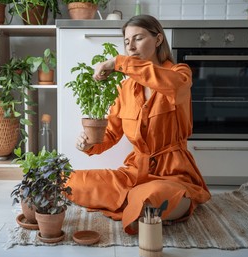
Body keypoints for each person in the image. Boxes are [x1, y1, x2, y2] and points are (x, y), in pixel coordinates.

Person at [67, 15, 211, 235]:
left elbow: (170, 85)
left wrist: (119, 63)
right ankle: (134, 203)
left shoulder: (180, 74)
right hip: (134, 173)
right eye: (126, 42)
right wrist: (88, 145)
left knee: (149, 198)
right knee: (68, 180)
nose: (131, 46)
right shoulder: (125, 89)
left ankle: (146, 203)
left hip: (172, 175)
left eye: (138, 38)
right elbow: (110, 134)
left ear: (158, 39)